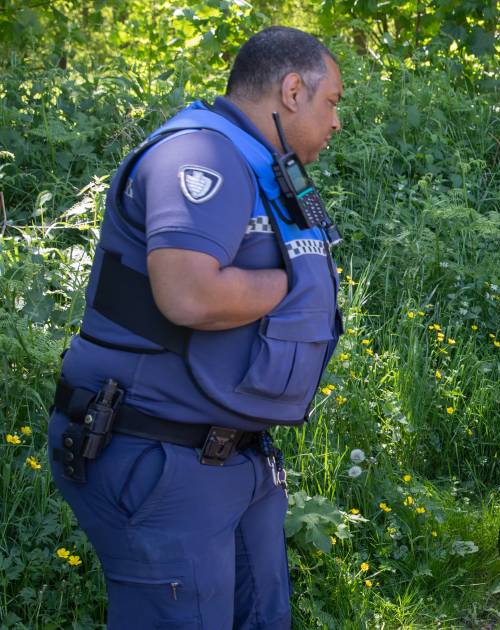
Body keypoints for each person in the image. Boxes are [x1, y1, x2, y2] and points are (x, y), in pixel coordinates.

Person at [47, 26, 343, 628]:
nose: (337, 122)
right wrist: (293, 286)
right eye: (332, 102)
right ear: (292, 91)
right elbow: (189, 294)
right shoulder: (199, 155)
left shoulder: (262, 163)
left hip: (231, 457)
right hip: (156, 453)